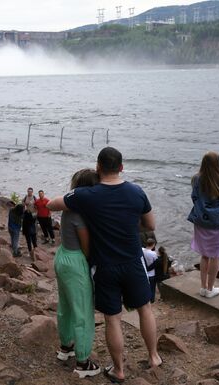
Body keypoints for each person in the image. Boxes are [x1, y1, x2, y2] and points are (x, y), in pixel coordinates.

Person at [48, 147, 161, 383]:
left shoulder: (85, 195)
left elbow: (51, 204)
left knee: (113, 319)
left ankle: (118, 370)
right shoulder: (136, 191)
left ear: (98, 167)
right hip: (132, 261)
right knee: (145, 309)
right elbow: (150, 224)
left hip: (106, 266)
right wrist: (127, 225)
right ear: (121, 167)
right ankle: (154, 357)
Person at [54, 169, 100, 378]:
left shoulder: (69, 207)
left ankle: (66, 346)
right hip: (75, 262)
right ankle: (82, 361)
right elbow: (86, 248)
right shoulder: (80, 214)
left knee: (66, 306)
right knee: (83, 311)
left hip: (62, 256)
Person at [187, 151, 219, 299]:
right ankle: (211, 288)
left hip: (200, 221)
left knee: (205, 255)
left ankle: (203, 287)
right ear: (218, 164)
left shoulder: (196, 179)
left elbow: (194, 197)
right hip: (218, 223)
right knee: (215, 257)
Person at [142, 238, 158, 303]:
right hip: (152, 273)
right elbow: (156, 262)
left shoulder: (142, 250)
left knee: (146, 287)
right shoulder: (153, 253)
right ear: (153, 245)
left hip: (144, 272)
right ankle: (152, 300)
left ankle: (145, 299)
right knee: (152, 288)